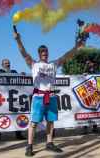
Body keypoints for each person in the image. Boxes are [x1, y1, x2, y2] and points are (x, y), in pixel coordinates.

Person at [14, 28, 81, 156]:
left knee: (50, 121)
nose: (44, 54)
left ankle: (49, 143)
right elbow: (23, 53)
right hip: (38, 97)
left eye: (46, 52)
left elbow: (67, 55)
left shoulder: (53, 65)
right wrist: (18, 40)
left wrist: (76, 46)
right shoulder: (33, 64)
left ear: (48, 53)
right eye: (42, 52)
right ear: (39, 54)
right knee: (34, 123)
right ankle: (29, 146)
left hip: (51, 97)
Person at [0, 58, 25, 141]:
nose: (7, 64)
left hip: (13, 98)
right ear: (2, 65)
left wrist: (22, 74)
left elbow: (20, 79)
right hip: (2, 99)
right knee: (0, 115)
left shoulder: (14, 72)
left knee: (16, 115)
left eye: (8, 63)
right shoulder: (0, 71)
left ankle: (18, 134)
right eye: (6, 63)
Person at [82, 59, 100, 134]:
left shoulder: (95, 71)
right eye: (88, 63)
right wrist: (86, 66)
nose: (90, 65)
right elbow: (82, 76)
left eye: (91, 63)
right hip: (86, 94)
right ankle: (85, 128)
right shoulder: (86, 71)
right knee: (85, 111)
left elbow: (99, 76)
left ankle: (95, 127)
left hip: (95, 94)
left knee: (94, 111)